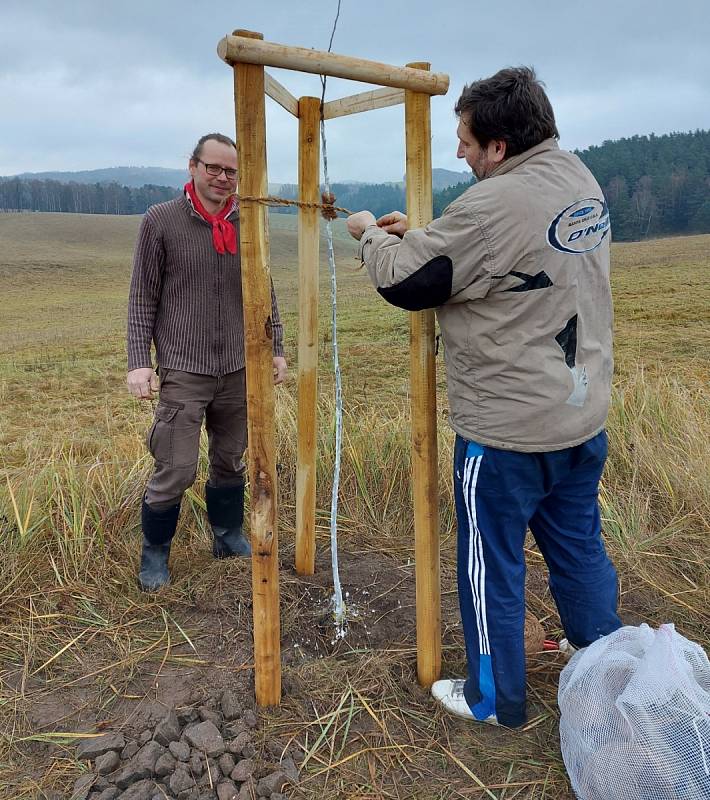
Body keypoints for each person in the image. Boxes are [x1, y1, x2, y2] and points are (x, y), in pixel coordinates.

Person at [346, 67, 621, 728]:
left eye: (467, 141)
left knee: (489, 568)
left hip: (507, 437)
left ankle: (494, 700)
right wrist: (424, 237)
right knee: (579, 547)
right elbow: (496, 260)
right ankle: (606, 659)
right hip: (580, 418)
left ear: (499, 146)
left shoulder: (492, 203)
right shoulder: (576, 177)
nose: (460, 153)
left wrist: (371, 237)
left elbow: (412, 284)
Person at [127, 132, 287, 592]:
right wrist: (140, 361)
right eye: (213, 167)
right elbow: (142, 297)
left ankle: (226, 534)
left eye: (231, 171)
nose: (222, 178)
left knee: (230, 458)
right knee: (175, 466)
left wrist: (275, 346)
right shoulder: (160, 221)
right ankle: (155, 554)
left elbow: (265, 289)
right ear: (192, 166)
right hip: (184, 368)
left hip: (239, 367)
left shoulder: (248, 222)